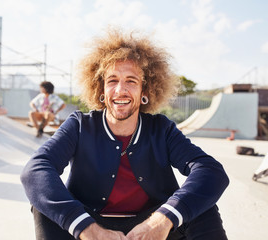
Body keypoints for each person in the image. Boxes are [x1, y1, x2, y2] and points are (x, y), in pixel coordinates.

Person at [21, 28, 229, 240]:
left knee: (201, 205)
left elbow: (210, 171)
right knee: (44, 207)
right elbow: (35, 170)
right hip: (91, 226)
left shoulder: (161, 129)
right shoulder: (80, 125)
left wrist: (164, 218)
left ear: (144, 92)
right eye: (112, 80)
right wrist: (86, 228)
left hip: (153, 226)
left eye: (131, 81)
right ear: (101, 91)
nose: (120, 90)